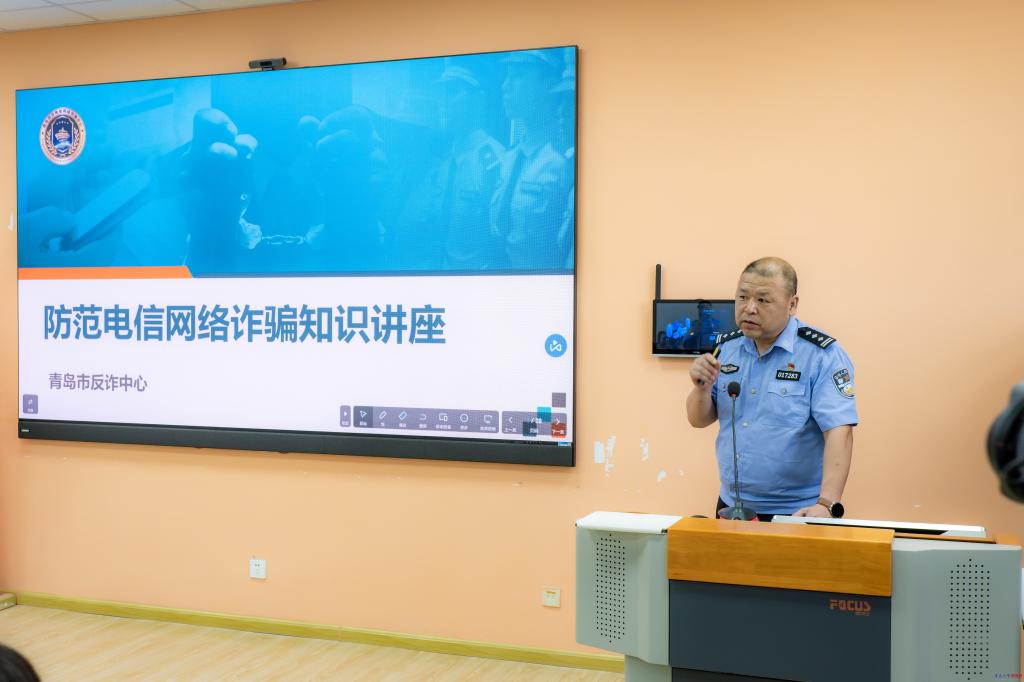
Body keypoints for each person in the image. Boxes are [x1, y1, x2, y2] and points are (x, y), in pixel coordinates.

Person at [686, 257, 858, 520]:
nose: (749, 308)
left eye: (763, 300)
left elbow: (839, 431)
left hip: (797, 510)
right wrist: (701, 389)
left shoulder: (822, 355)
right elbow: (698, 420)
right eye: (742, 297)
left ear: (792, 304)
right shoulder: (726, 347)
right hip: (732, 504)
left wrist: (826, 503)